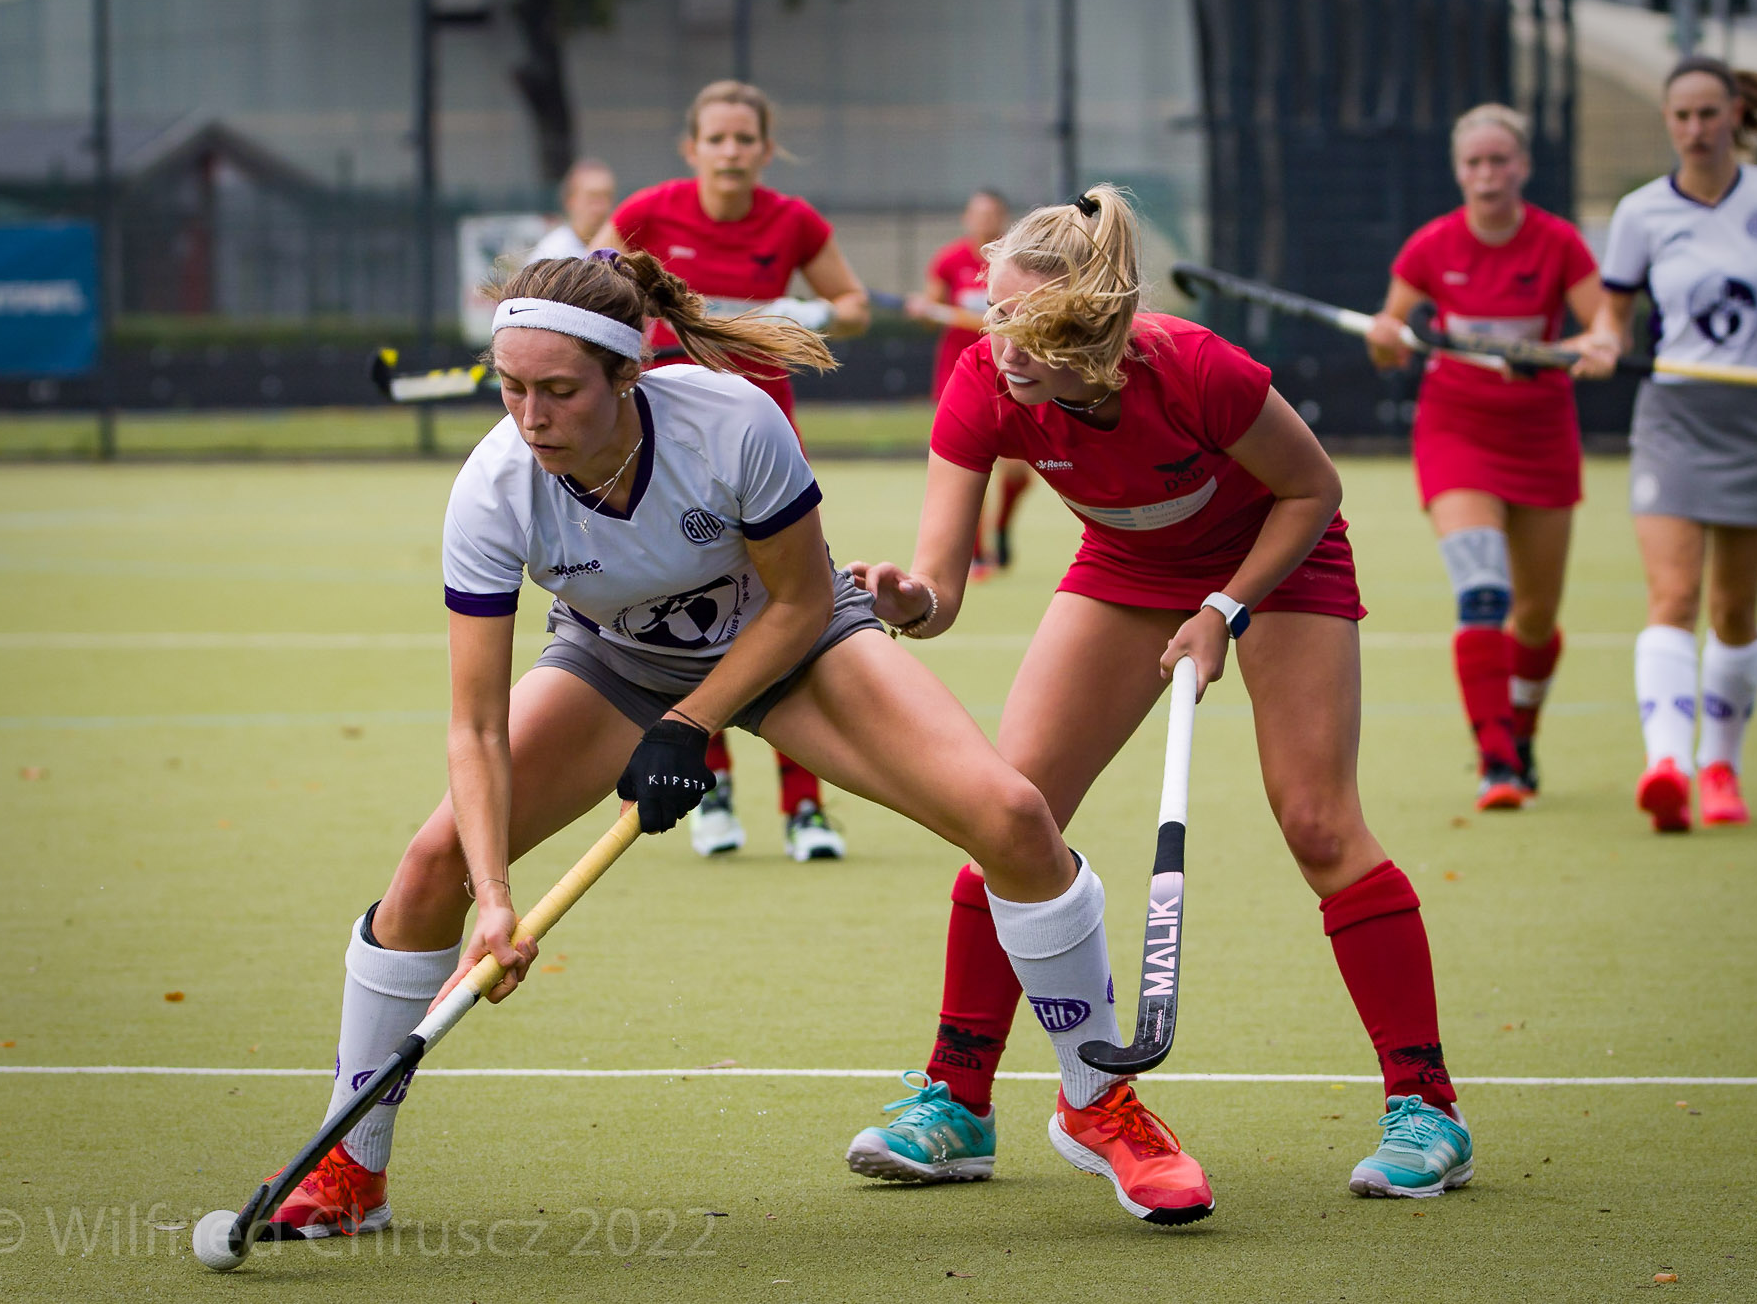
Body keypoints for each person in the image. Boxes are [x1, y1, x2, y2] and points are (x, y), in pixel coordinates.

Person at [264, 248, 1211, 1237]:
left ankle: (1097, 1099)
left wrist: (691, 722)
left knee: (1012, 816)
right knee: (432, 866)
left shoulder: (729, 422)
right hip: (615, 661)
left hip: (797, 644)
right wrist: (495, 898)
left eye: (559, 391)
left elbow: (800, 600)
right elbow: (477, 723)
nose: (531, 418)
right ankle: (350, 1163)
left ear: (627, 376)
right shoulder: (494, 487)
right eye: (511, 389)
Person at [845, 185, 1474, 1201]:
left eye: (1028, 323)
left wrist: (1224, 607)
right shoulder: (984, 381)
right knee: (1011, 812)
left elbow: (1313, 489)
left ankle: (1426, 1106)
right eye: (993, 312)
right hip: (1127, 566)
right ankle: (956, 1100)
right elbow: (940, 592)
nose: (1000, 344)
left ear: (1092, 326)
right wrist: (906, 600)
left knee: (1318, 824)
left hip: (1278, 558)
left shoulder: (1194, 368)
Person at [594, 79, 869, 862]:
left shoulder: (794, 221)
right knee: (690, 611)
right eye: (716, 138)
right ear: (692, 148)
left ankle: (805, 807)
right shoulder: (649, 211)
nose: (731, 151)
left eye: (745, 138)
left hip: (763, 446)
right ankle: (709, 785)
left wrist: (808, 311)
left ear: (766, 149)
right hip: (667, 447)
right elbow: (592, 290)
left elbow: (853, 306)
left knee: (792, 609)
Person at [1582, 58, 1757, 832]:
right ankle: (1666, 766)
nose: (1695, 129)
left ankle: (1720, 767)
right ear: (1667, 122)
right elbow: (1612, 315)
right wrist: (1603, 342)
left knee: (1734, 610)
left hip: (1755, 418)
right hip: (1673, 417)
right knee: (1673, 595)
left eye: (1709, 113)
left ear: (1735, 113)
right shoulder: (1641, 212)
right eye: (1682, 116)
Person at [1364, 104, 1615, 809]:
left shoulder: (1559, 244)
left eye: (1499, 160)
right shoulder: (1431, 246)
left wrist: (1582, 350)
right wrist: (1385, 339)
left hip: (1541, 436)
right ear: (1458, 171)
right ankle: (1496, 761)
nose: (1487, 174)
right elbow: (1391, 342)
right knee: (1482, 591)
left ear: (1522, 166)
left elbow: (1603, 329)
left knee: (1534, 618)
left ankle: (1523, 735)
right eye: (1474, 162)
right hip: (1457, 432)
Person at [909, 188, 1035, 574]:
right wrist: (925, 310)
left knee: (1018, 470)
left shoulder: (1021, 261)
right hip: (961, 374)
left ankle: (1002, 528)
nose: (984, 221)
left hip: (1013, 369)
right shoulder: (949, 260)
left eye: (991, 214)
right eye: (977, 214)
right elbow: (933, 310)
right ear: (967, 218)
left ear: (1003, 218)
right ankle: (977, 553)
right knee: (969, 466)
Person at [525, 159, 618, 263]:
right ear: (570, 200)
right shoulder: (550, 254)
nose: (599, 207)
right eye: (592, 197)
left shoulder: (622, 249)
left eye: (606, 196)